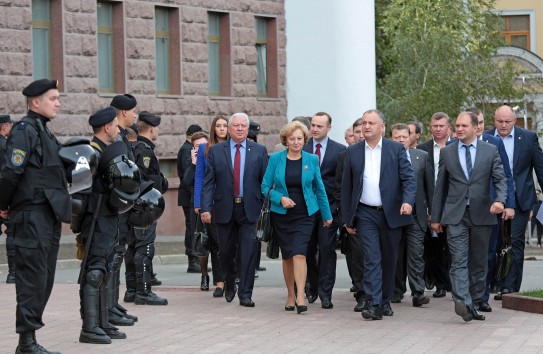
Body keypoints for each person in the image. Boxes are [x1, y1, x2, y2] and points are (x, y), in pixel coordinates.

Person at [0, 79, 70, 354]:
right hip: (30, 216)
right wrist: (3, 204)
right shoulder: (24, 130)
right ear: (36, 102)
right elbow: (10, 173)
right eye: (53, 98)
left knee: (44, 278)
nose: (58, 103)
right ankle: (26, 343)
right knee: (32, 279)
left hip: (47, 214)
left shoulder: (46, 132)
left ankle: (30, 339)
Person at [431, 111, 507, 322]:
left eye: (464, 125)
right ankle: (462, 302)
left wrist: (500, 201)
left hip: (483, 214)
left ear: (475, 128)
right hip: (455, 215)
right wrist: (436, 218)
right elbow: (440, 188)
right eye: (457, 125)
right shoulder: (447, 152)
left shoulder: (490, 151)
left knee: (480, 262)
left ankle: (473, 303)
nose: (460, 129)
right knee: (458, 260)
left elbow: (500, 179)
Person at [341, 109, 416, 320]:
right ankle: (374, 304)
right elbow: (346, 187)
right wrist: (348, 218)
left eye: (371, 123)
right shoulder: (353, 152)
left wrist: (408, 202)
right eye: (364, 123)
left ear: (382, 127)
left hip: (391, 213)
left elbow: (408, 179)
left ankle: (384, 301)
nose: (366, 126)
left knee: (389, 259)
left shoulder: (396, 149)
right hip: (365, 213)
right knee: (371, 258)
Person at [262, 121, 332, 314]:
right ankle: (290, 294)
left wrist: (327, 215)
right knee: (287, 257)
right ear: (285, 140)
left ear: (304, 140)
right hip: (282, 215)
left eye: (299, 138)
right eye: (292, 139)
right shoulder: (275, 159)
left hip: (305, 214)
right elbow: (265, 187)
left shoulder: (311, 159)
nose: (296, 142)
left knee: (300, 253)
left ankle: (301, 295)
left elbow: (319, 188)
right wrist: (281, 198)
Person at [201, 113, 268, 307]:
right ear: (229, 129)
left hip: (250, 208)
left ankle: (245, 293)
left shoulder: (259, 151)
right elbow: (208, 182)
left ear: (248, 129)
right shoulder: (215, 151)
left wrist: (266, 208)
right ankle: (230, 283)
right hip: (224, 208)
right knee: (225, 252)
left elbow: (265, 182)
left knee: (248, 252)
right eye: (235, 126)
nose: (239, 129)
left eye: (243, 126)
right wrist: (205, 207)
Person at [77, 107, 130, 344]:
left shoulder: (106, 151)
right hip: (96, 219)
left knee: (105, 269)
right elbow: (78, 191)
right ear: (107, 127)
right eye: (116, 126)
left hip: (109, 217)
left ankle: (102, 321)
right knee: (94, 272)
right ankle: (89, 327)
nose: (119, 129)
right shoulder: (89, 153)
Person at [487, 105, 543, 299]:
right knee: (495, 243)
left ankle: (509, 287)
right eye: (499, 121)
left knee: (515, 242)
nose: (503, 125)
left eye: (507, 122)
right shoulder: (485, 138)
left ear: (515, 121)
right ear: (494, 120)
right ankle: (496, 282)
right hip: (493, 201)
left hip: (520, 200)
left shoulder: (528, 138)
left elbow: (540, 168)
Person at [464, 107, 515, 312]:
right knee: (463, 256)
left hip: (489, 210)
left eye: (482, 123)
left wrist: (508, 203)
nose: (479, 127)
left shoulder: (494, 143)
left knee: (486, 254)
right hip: (463, 210)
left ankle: (481, 297)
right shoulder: (454, 145)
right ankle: (466, 295)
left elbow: (506, 176)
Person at [303, 112, 345, 309]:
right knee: (308, 250)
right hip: (305, 210)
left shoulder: (339, 151)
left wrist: (336, 210)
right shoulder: (302, 148)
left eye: (320, 126)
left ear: (329, 127)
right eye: (313, 125)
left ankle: (325, 293)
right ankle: (310, 286)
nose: (315, 129)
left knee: (327, 251)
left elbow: (341, 184)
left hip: (328, 209)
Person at [390, 123, 433, 307]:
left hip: (416, 216)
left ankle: (418, 293)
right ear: (391, 139)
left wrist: (434, 213)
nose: (401, 140)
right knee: (397, 256)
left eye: (404, 137)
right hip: (393, 215)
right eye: (396, 137)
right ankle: (396, 291)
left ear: (411, 137)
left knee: (416, 254)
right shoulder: (386, 157)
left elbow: (430, 187)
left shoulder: (422, 157)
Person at [130, 112, 169, 305]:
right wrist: (161, 181)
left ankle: (131, 290)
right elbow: (142, 179)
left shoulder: (136, 146)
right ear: (152, 128)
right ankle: (143, 292)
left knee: (133, 248)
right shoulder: (144, 150)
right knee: (144, 248)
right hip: (144, 207)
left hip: (136, 208)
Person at [108, 94, 140, 326]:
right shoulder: (115, 138)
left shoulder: (122, 137)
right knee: (113, 257)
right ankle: (108, 307)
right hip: (115, 210)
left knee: (118, 256)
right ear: (124, 112)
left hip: (123, 209)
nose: (136, 115)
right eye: (134, 111)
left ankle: (113, 303)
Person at [183, 131, 225, 295]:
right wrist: (193, 163)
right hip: (198, 205)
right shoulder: (191, 159)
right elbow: (187, 181)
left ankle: (221, 278)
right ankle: (204, 274)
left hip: (214, 203)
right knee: (202, 241)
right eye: (197, 146)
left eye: (203, 145)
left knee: (216, 242)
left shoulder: (213, 154)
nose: (201, 148)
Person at [417, 112, 452, 298]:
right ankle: (439, 283)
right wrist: (430, 209)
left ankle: (451, 283)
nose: (438, 129)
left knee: (452, 246)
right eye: (435, 126)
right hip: (431, 205)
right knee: (434, 247)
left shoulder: (456, 147)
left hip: (452, 203)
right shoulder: (423, 150)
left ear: (448, 127)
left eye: (441, 126)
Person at [194, 115, 228, 296]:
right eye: (219, 126)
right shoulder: (204, 149)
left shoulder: (234, 147)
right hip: (211, 201)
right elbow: (199, 176)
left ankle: (232, 278)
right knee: (216, 243)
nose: (222, 129)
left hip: (230, 200)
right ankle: (220, 282)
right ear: (213, 128)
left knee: (231, 242)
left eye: (225, 125)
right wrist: (199, 203)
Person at [334, 117, 365, 311]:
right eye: (357, 132)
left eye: (364, 131)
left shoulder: (385, 152)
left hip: (379, 214)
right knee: (358, 257)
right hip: (355, 215)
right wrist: (345, 217)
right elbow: (340, 189)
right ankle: (362, 295)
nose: (361, 135)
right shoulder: (346, 156)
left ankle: (382, 296)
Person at [177, 124, 203, 273]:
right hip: (189, 196)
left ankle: (195, 259)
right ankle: (192, 259)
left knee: (193, 227)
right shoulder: (188, 150)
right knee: (192, 228)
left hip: (189, 195)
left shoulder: (186, 148)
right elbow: (188, 175)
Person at [0, 114, 15, 283]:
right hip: (3, 196)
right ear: (4, 127)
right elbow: (7, 175)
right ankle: (13, 273)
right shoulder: (5, 146)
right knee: (12, 232)